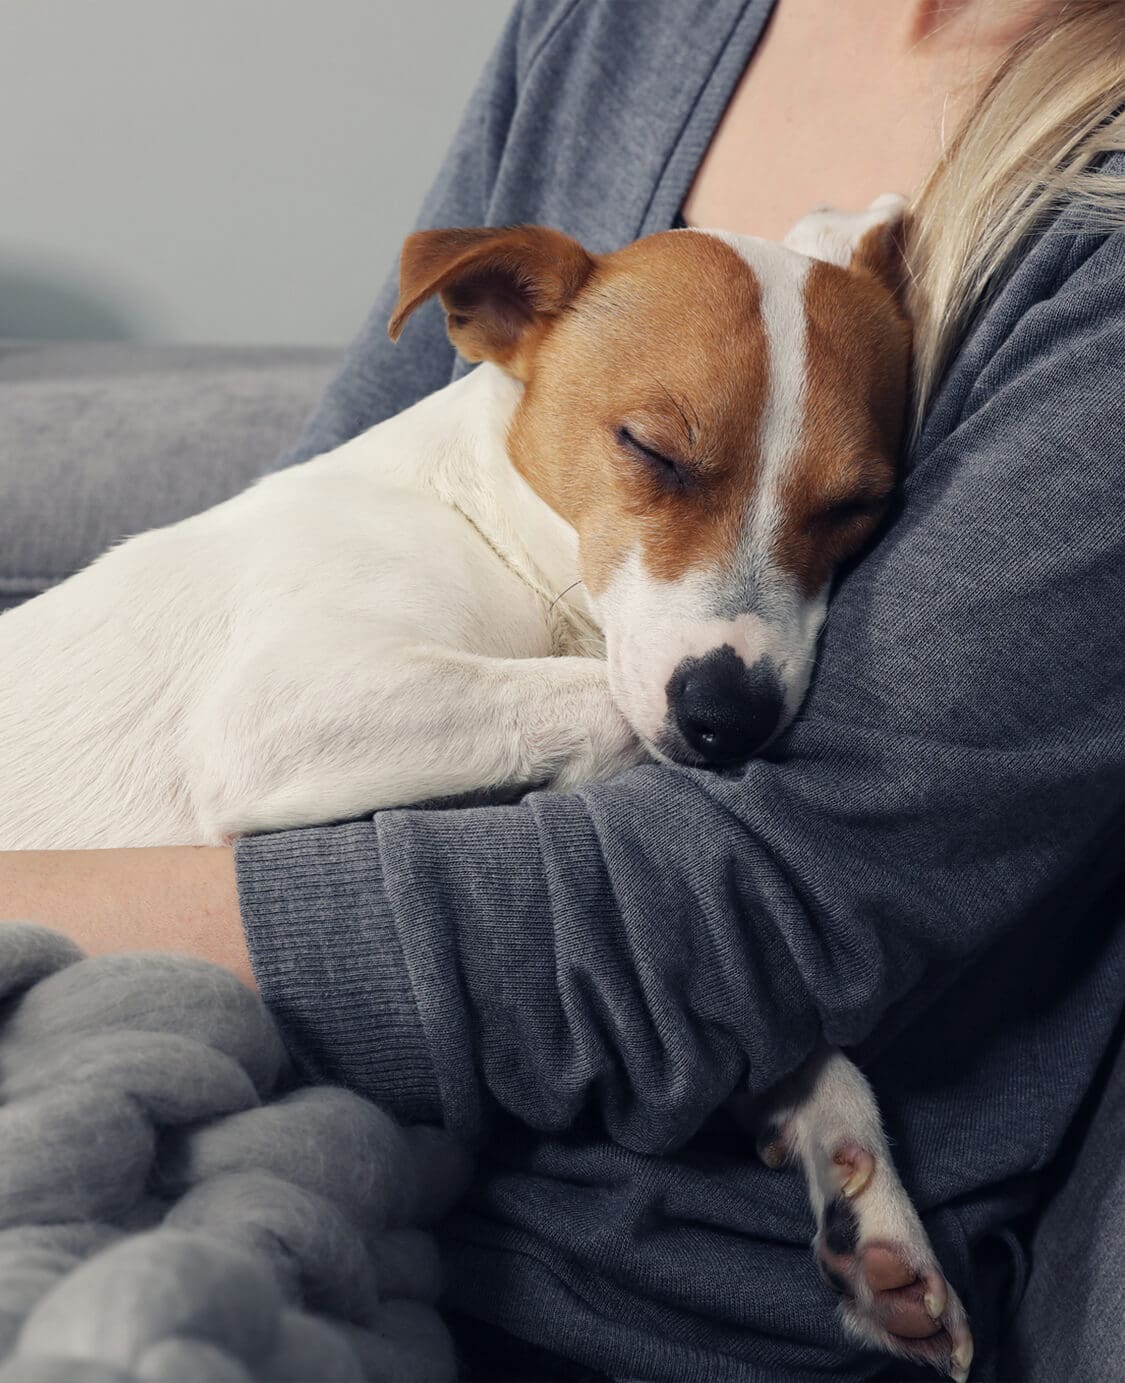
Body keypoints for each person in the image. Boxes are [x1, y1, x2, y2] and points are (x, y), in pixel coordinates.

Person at [3, 0, 1125, 1377]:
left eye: (840, 523)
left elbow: (750, 909)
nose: (747, 633)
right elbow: (284, 747)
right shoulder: (622, 26)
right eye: (659, 458)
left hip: (569, 1266)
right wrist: (620, 727)